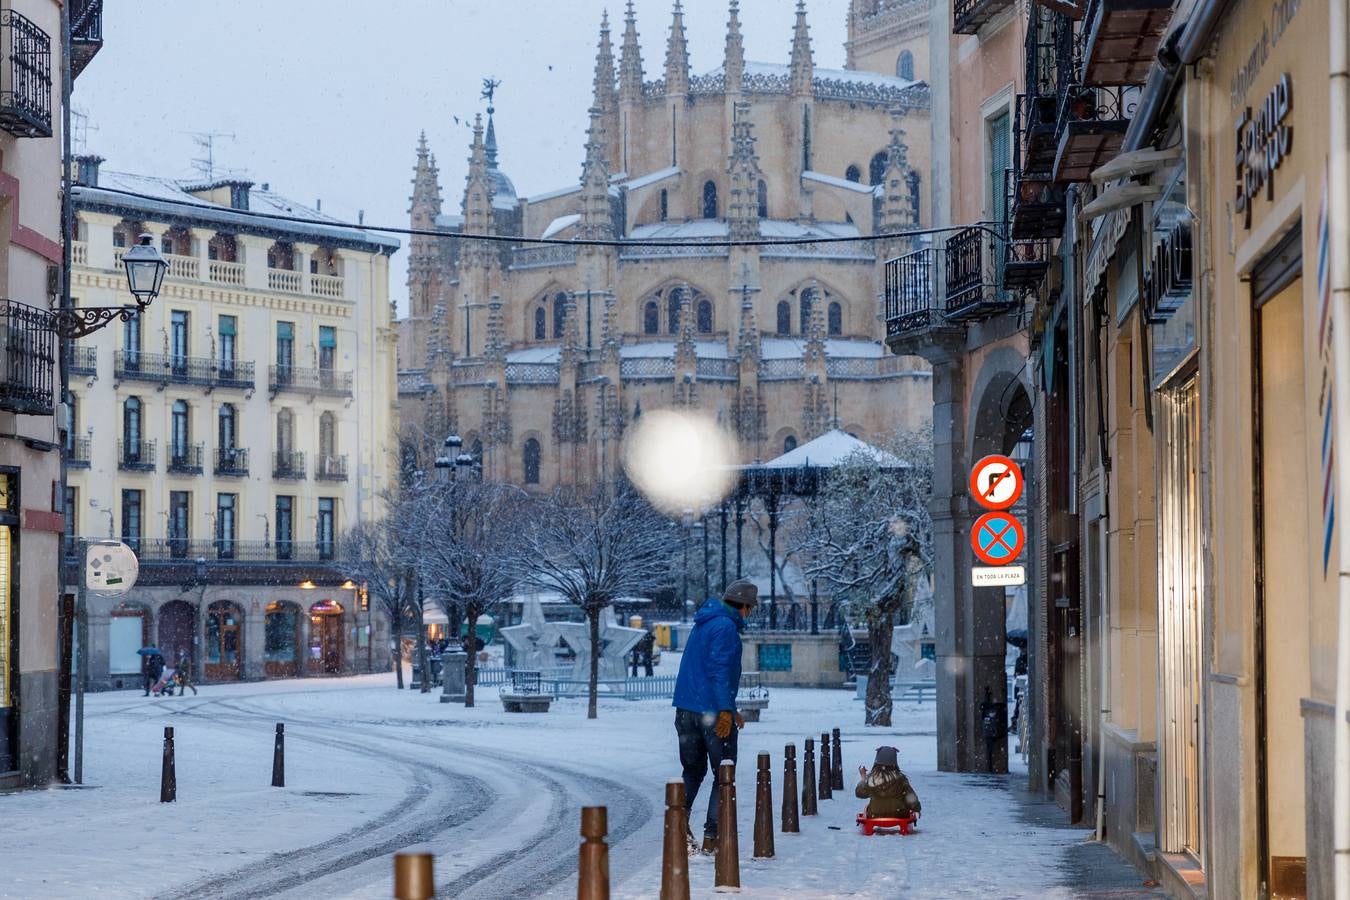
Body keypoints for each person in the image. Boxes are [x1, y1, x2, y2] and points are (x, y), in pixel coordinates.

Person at [672, 579, 757, 856]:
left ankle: (677, 826)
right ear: (743, 607)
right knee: (724, 775)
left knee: (692, 770)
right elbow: (719, 672)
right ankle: (713, 838)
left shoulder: (704, 623)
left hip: (686, 710)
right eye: (750, 608)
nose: (750, 613)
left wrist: (730, 709)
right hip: (710, 713)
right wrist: (723, 711)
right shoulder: (725, 628)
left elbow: (702, 671)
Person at [855, 746, 922, 820]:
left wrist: (864, 778)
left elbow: (860, 793)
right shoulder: (901, 779)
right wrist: (916, 809)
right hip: (899, 814)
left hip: (875, 814)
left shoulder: (871, 779)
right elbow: (911, 798)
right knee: (905, 808)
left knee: (867, 808)